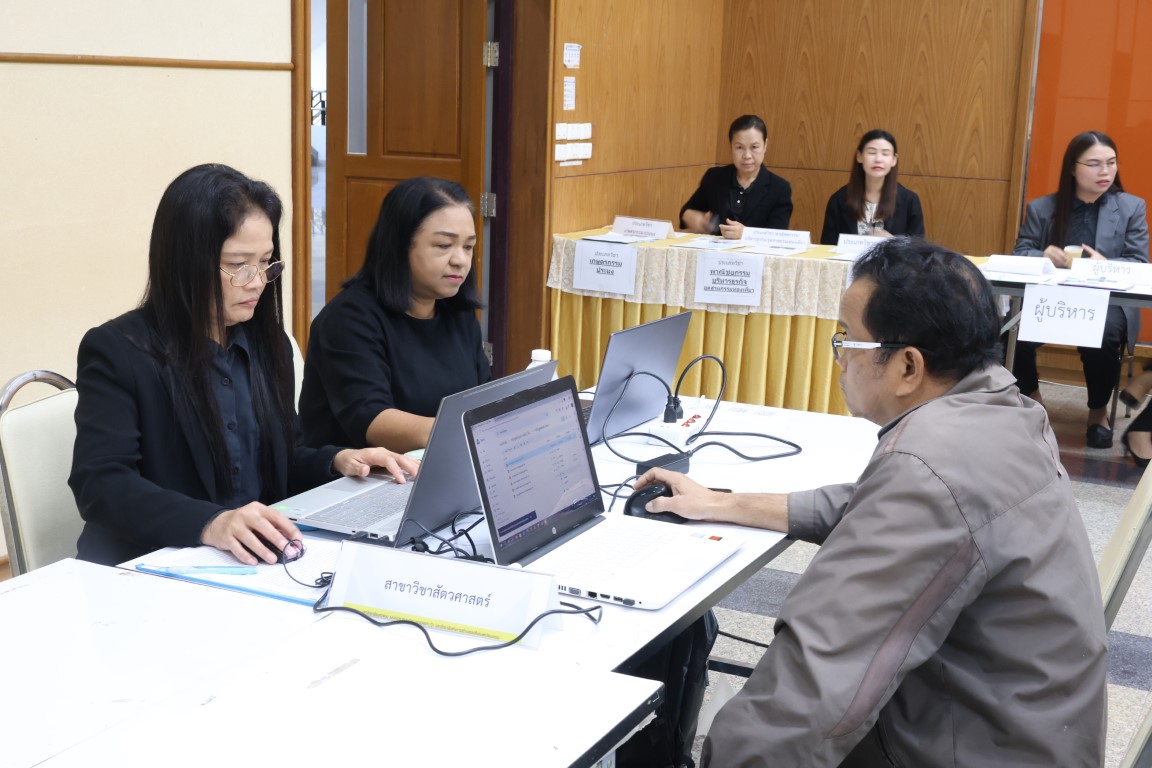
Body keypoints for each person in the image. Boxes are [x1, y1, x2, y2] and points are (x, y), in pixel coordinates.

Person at [635, 237, 1107, 767]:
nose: (839, 358)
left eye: (847, 339)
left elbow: (814, 687)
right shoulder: (999, 406)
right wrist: (725, 504)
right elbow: (873, 505)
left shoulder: (929, 468)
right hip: (1019, 727)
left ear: (908, 366)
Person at [69, 164, 419, 567]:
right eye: (238, 265)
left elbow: (281, 457)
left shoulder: (267, 344)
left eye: (266, 262)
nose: (257, 282)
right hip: (147, 566)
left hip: (248, 562)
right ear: (185, 261)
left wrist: (338, 461)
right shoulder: (119, 350)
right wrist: (211, 522)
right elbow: (101, 484)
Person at [299, 177, 490, 453]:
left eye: (468, 247)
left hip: (439, 461)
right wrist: (468, 429)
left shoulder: (456, 310)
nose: (460, 260)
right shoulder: (348, 319)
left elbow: (481, 395)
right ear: (400, 245)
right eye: (443, 245)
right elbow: (373, 421)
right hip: (361, 473)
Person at [1011, 130, 1149, 449]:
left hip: (1107, 301)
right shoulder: (1043, 208)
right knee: (1011, 332)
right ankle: (1033, 401)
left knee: (1104, 332)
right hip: (1051, 298)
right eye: (1095, 164)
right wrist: (1043, 255)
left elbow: (1138, 262)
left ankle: (1098, 412)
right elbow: (1021, 252)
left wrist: (1105, 264)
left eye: (1111, 163)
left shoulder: (1130, 207)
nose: (1105, 171)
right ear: (1073, 168)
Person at [679, 114, 792, 239]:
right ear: (731, 146)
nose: (747, 155)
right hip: (715, 250)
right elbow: (688, 209)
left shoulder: (779, 188)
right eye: (739, 147)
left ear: (765, 145)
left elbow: (778, 237)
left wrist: (746, 234)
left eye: (754, 147)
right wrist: (691, 216)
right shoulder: (714, 177)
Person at [819, 128, 925, 245]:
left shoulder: (909, 201)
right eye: (872, 152)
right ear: (859, 156)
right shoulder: (839, 199)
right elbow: (827, 245)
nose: (878, 159)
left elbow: (918, 249)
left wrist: (892, 241)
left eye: (885, 153)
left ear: (894, 160)